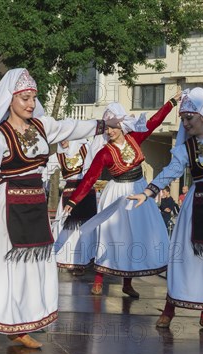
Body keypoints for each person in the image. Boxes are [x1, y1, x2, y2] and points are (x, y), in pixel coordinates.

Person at [0, 68, 119, 348]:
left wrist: (103, 124)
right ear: (10, 100)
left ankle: (20, 324)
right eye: (25, 98)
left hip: (34, 204)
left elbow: (72, 127)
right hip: (6, 205)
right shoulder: (0, 133)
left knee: (30, 267)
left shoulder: (42, 126)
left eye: (33, 97)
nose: (30, 103)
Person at [129, 87, 203, 333]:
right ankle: (169, 310)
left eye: (188, 118)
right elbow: (170, 173)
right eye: (182, 118)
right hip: (198, 207)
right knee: (188, 261)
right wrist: (148, 192)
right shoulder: (186, 149)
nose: (185, 123)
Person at [64, 94, 181, 298]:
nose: (109, 131)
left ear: (122, 125)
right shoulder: (104, 153)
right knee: (110, 236)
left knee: (136, 235)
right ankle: (99, 279)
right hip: (116, 193)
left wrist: (171, 103)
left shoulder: (135, 138)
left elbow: (154, 122)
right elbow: (90, 178)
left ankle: (127, 283)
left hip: (139, 189)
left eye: (113, 127)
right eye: (107, 128)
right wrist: (74, 201)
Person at [53, 138, 98, 274]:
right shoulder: (58, 155)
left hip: (86, 193)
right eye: (61, 139)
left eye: (66, 138)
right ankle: (67, 260)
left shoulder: (87, 147)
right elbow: (42, 166)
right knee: (67, 230)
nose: (63, 142)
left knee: (85, 230)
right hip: (68, 193)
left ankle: (85, 261)